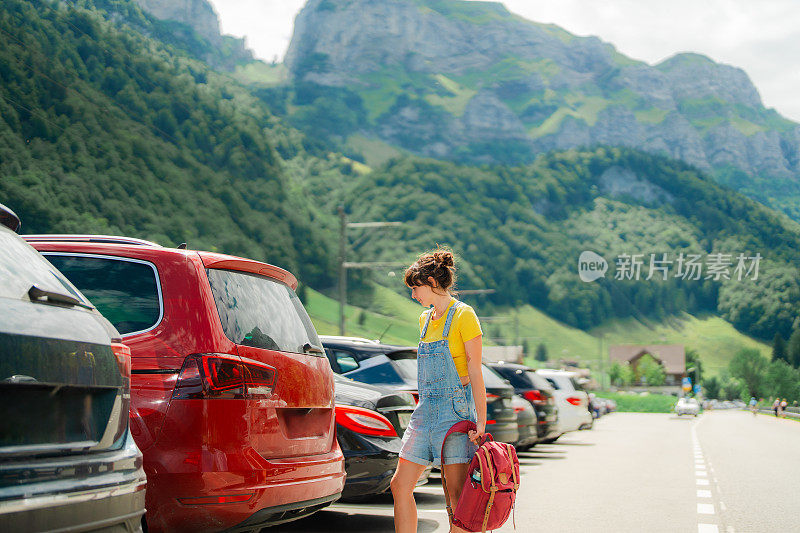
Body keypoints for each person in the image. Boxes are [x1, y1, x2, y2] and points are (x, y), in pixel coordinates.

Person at [390, 249, 487, 533]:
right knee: (400, 485)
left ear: (431, 281)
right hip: (424, 414)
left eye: (415, 288)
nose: (413, 295)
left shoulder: (464, 315)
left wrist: (480, 421)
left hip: (454, 413)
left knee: (455, 499)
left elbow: (476, 373)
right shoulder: (424, 320)